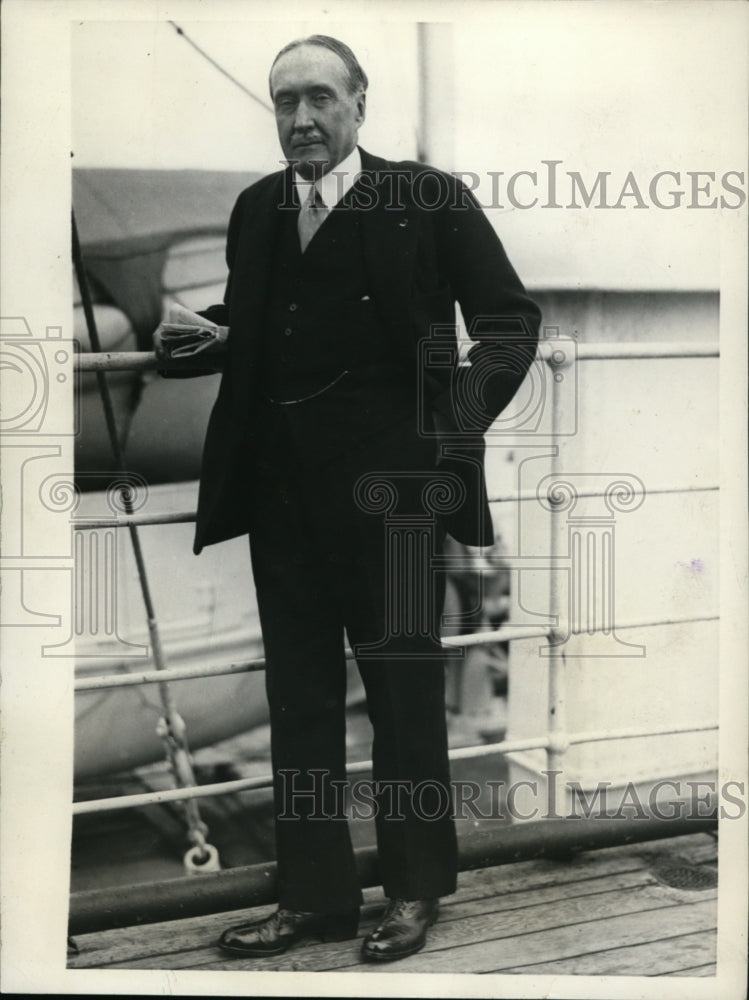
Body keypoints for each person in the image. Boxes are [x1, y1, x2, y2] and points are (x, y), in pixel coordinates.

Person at [189, 34, 541, 962]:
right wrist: (203, 334)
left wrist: (443, 438)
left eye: (318, 98)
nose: (300, 119)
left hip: (396, 501)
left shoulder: (427, 198)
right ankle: (314, 898)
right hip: (282, 499)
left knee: (403, 698)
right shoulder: (255, 208)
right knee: (298, 702)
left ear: (358, 102)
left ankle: (414, 890)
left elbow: (508, 326)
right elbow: (272, 318)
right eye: (283, 103)